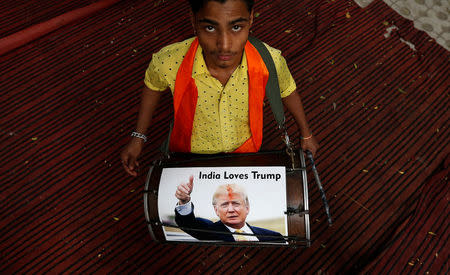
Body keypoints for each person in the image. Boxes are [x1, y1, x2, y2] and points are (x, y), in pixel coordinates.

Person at [121, 0, 319, 176]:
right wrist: (138, 137)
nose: (224, 45)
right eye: (209, 28)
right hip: (190, 155)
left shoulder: (270, 61)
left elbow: (287, 90)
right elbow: (153, 85)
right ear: (193, 20)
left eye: (236, 27)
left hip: (247, 153)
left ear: (251, 19)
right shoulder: (169, 62)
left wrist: (306, 133)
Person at [174, 176, 284, 242]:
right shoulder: (208, 231)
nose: (231, 210)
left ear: (247, 208)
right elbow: (188, 223)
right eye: (225, 205)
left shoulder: (273, 237)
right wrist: (184, 201)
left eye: (236, 203)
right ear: (216, 210)